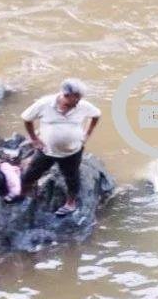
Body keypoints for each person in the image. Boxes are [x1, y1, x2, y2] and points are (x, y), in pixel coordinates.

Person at [20, 79, 101, 216]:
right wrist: (34, 139)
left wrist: (87, 134)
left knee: (72, 177)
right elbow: (27, 118)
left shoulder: (83, 106)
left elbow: (96, 115)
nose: (79, 101)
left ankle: (71, 203)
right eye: (77, 97)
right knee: (31, 173)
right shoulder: (44, 104)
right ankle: (24, 192)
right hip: (46, 150)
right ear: (67, 95)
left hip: (72, 151)